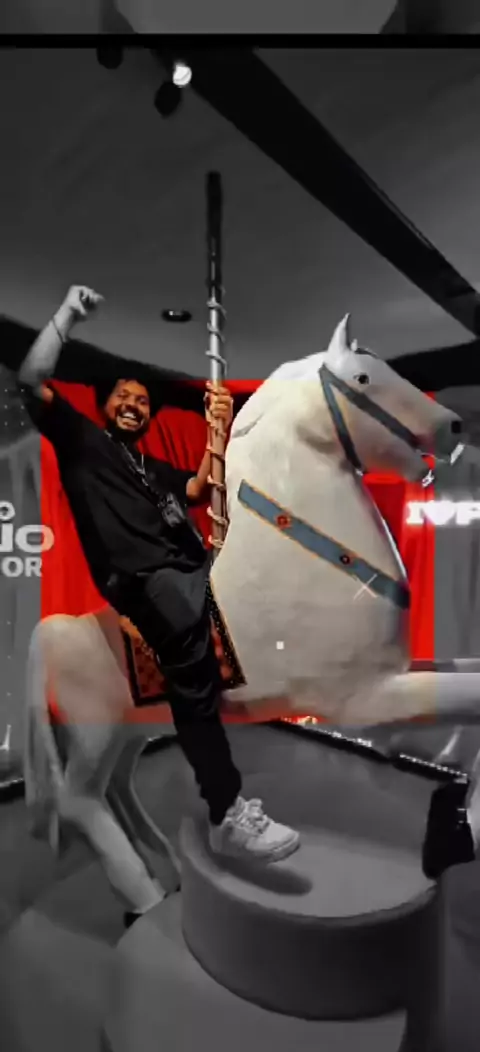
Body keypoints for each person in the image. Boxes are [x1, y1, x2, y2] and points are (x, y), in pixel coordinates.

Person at [18, 284, 300, 880]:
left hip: (189, 568)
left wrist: (218, 430)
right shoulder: (83, 442)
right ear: (105, 406)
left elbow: (196, 489)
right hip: (147, 582)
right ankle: (227, 811)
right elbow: (33, 379)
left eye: (143, 401)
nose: (134, 405)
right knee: (192, 661)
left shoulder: (147, 466)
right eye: (123, 396)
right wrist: (67, 315)